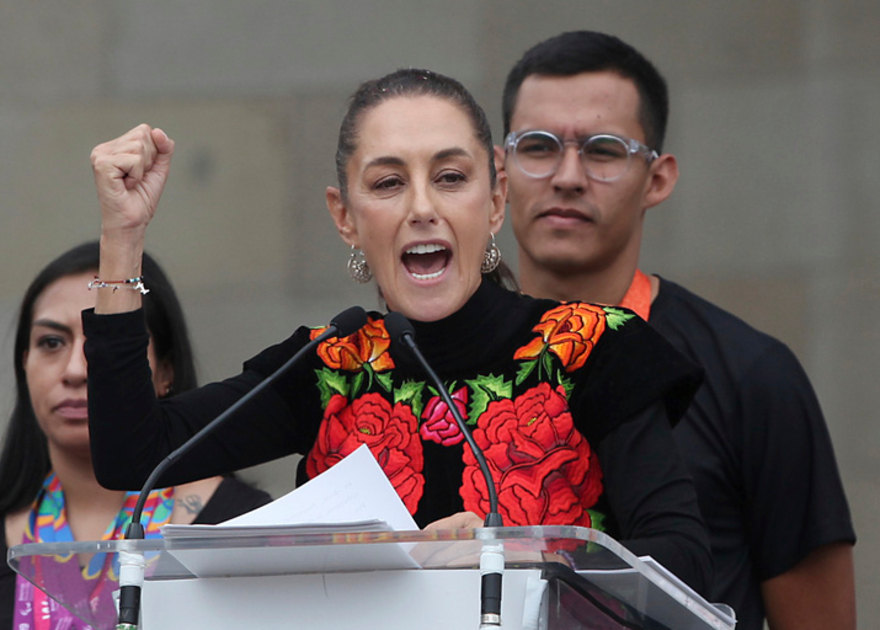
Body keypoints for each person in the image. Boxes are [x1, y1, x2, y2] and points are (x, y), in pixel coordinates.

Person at [82, 68, 714, 593]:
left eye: (450, 177)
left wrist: (519, 559)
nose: (420, 208)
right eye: (387, 183)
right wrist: (123, 237)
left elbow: (682, 558)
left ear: (494, 201)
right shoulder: (330, 366)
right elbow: (131, 454)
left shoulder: (593, 347)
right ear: (345, 217)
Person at [499, 30, 857, 629]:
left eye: (603, 150)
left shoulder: (751, 375)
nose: (566, 176)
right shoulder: (436, 364)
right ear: (498, 170)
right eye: (537, 146)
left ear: (658, 179)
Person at [0, 242, 271, 630]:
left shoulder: (246, 529)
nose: (75, 370)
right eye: (51, 343)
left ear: (164, 370)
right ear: (24, 367)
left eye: (99, 344)